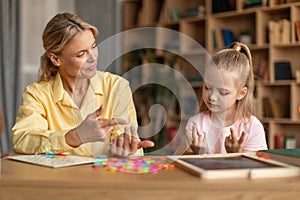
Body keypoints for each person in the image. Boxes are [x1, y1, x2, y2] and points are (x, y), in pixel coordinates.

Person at [12, 12, 154, 157]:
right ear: (55, 59)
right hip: (57, 179)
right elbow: (23, 140)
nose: (93, 58)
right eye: (81, 54)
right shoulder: (37, 94)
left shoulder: (116, 86)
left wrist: (124, 151)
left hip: (105, 178)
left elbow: (130, 150)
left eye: (93, 46)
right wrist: (75, 136)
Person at [176, 42, 268, 155]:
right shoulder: (196, 124)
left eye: (223, 92)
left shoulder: (252, 126)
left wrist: (234, 154)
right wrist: (198, 153)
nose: (212, 97)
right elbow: (184, 165)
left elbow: (255, 168)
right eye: (207, 88)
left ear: (241, 93)